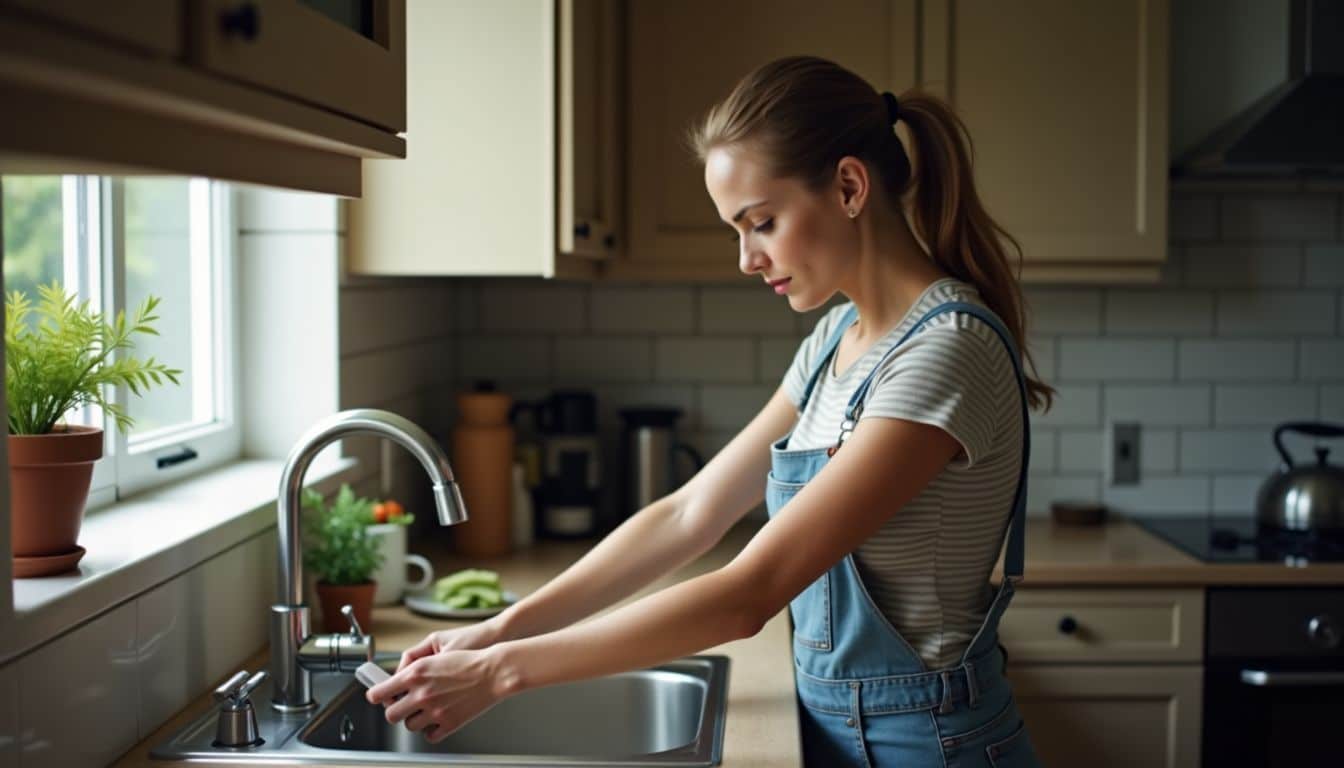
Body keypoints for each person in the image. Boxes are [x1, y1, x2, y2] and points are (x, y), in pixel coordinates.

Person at [367, 55, 1054, 767]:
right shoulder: (834, 341)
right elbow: (691, 512)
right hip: (839, 729)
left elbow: (747, 594)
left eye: (761, 222)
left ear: (850, 186)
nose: (746, 258)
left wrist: (502, 674)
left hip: (928, 744)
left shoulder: (945, 352)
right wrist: (500, 631)